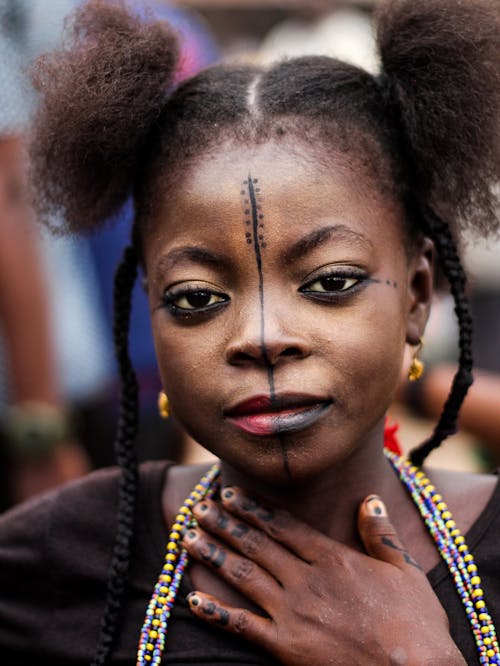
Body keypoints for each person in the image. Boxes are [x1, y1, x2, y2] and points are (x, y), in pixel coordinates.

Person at [0, 0, 499, 664]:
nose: (262, 338)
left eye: (330, 282)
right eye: (198, 297)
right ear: (151, 311)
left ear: (415, 294)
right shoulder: (48, 567)